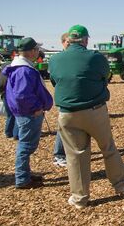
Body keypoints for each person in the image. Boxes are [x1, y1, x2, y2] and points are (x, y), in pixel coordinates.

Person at [49, 25, 124, 209]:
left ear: (68, 40)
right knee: (108, 148)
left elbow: (55, 81)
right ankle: (121, 185)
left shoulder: (55, 59)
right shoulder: (95, 57)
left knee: (76, 156)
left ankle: (80, 198)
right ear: (85, 40)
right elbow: (104, 76)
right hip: (95, 110)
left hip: (68, 113)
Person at [2, 37, 53, 189]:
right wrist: (36, 107)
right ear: (31, 51)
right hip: (29, 113)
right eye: (36, 49)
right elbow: (22, 95)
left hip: (26, 113)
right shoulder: (24, 70)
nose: (38, 52)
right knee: (25, 146)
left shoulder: (20, 67)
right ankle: (22, 179)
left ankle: (24, 174)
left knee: (26, 145)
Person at [53, 32, 69, 168]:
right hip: (65, 99)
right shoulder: (58, 59)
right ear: (63, 42)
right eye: (68, 42)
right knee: (62, 128)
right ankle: (59, 155)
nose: (70, 45)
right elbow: (54, 80)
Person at [0, 61, 18, 139]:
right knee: (16, 113)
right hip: (11, 93)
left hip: (3, 92)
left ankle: (8, 132)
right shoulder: (13, 68)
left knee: (9, 114)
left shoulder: (2, 68)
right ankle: (15, 134)